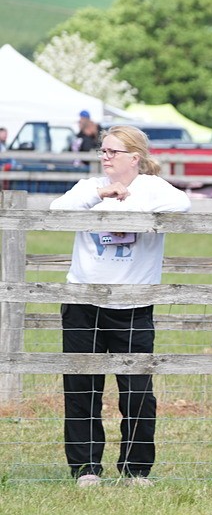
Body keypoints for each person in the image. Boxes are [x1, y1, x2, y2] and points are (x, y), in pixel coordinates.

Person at [49, 125, 191, 487]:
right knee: (82, 387)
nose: (105, 157)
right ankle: (86, 469)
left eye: (113, 151)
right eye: (103, 151)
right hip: (83, 299)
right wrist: (101, 195)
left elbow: (182, 204)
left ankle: (135, 469)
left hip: (133, 301)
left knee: (137, 389)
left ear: (135, 157)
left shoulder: (153, 188)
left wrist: (132, 206)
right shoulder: (88, 188)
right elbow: (56, 210)